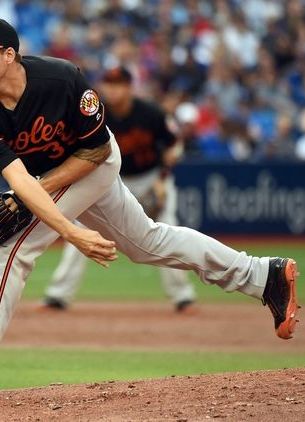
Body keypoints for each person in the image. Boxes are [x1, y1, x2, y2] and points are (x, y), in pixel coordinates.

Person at [0, 17, 300, 409]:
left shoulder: (61, 79)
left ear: (9, 55)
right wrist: (48, 215)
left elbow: (97, 152)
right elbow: (20, 180)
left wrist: (68, 232)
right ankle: (264, 275)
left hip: (96, 160)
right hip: (48, 175)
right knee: (148, 243)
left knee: (12, 251)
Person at [39, 66, 197, 314]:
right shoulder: (95, 113)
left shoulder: (150, 112)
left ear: (129, 87)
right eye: (109, 84)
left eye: (118, 84)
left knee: (168, 231)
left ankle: (183, 297)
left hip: (150, 180)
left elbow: (174, 144)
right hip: (113, 182)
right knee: (80, 231)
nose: (113, 90)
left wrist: (162, 179)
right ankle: (58, 295)